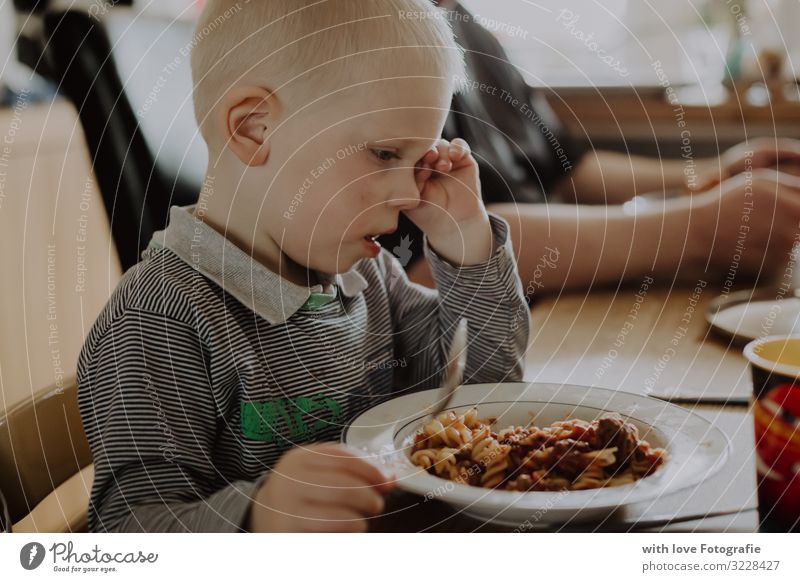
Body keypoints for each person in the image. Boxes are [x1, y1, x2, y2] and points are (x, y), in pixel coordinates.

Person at [76, 0, 529, 533]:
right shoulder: (160, 321)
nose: (411, 193)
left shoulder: (368, 279)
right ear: (253, 129)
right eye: (385, 154)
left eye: (420, 159)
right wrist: (257, 518)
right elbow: (126, 525)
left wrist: (466, 242)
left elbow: (487, 387)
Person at [387, 0, 800, 292]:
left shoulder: (467, 27)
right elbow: (429, 261)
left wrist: (719, 173)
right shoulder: (380, 38)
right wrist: (699, 230)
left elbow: (569, 172)